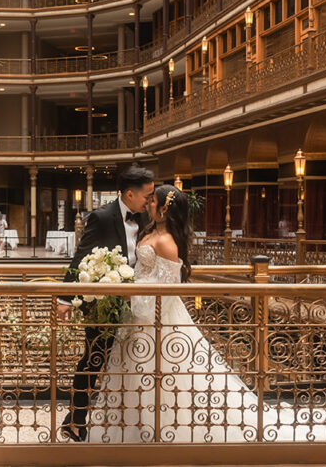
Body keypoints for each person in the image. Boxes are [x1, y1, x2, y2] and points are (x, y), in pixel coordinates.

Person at [87, 184, 260, 443]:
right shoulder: (150, 231)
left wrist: (129, 294)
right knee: (133, 376)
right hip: (135, 316)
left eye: (153, 201)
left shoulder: (167, 242)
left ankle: (161, 432)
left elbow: (168, 292)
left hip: (154, 319)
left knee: (158, 375)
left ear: (165, 208)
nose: (148, 204)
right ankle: (132, 432)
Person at [57, 166, 155, 442]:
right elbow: (79, 258)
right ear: (129, 194)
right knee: (93, 359)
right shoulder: (101, 217)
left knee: (129, 362)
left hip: (137, 304)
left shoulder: (147, 216)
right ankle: (76, 420)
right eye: (146, 196)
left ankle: (128, 422)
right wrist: (65, 298)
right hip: (103, 305)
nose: (149, 201)